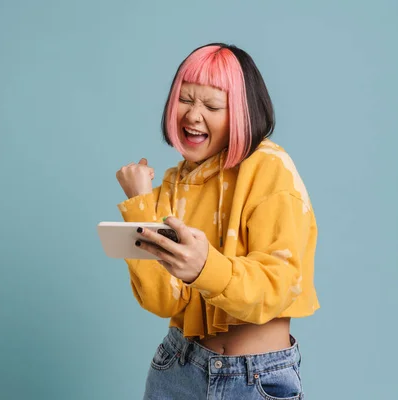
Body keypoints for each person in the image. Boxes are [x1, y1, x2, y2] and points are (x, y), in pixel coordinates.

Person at [115, 43, 319, 400]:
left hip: (255, 378)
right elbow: (163, 302)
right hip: (177, 368)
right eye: (185, 99)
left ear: (242, 113)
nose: (193, 116)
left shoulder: (270, 168)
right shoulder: (174, 183)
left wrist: (202, 267)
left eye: (211, 105)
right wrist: (139, 204)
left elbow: (277, 286)